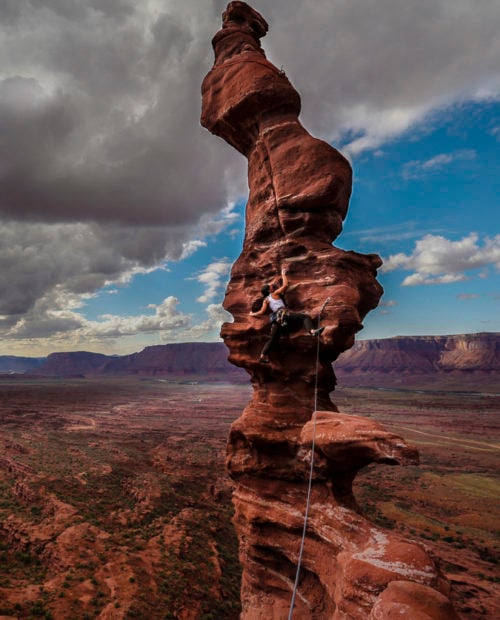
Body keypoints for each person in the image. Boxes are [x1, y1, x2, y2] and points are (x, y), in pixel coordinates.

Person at [249, 267, 324, 363]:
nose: (272, 286)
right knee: (305, 317)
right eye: (270, 286)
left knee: (273, 340)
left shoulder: (266, 300)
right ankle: (312, 331)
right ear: (269, 290)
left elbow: (261, 312)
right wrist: (283, 274)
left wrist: (252, 314)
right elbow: (285, 285)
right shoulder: (275, 293)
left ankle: (262, 356)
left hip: (276, 320)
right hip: (284, 315)